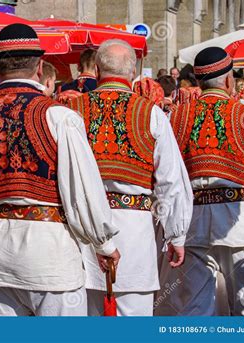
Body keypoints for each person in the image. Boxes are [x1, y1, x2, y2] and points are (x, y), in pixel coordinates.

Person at [0, 23, 121, 317]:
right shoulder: (59, 117)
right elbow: (82, 190)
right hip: (50, 259)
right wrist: (104, 244)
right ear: (40, 67)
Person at [68, 39, 193, 316]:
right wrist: (177, 235)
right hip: (134, 234)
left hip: (82, 234)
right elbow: (170, 180)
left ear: (97, 71)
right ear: (134, 73)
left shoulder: (71, 112)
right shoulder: (151, 113)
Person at [158, 47, 244, 316]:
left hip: (193, 222)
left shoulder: (176, 117)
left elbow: (169, 174)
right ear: (229, 80)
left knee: (197, 307)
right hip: (237, 223)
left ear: (198, 81)